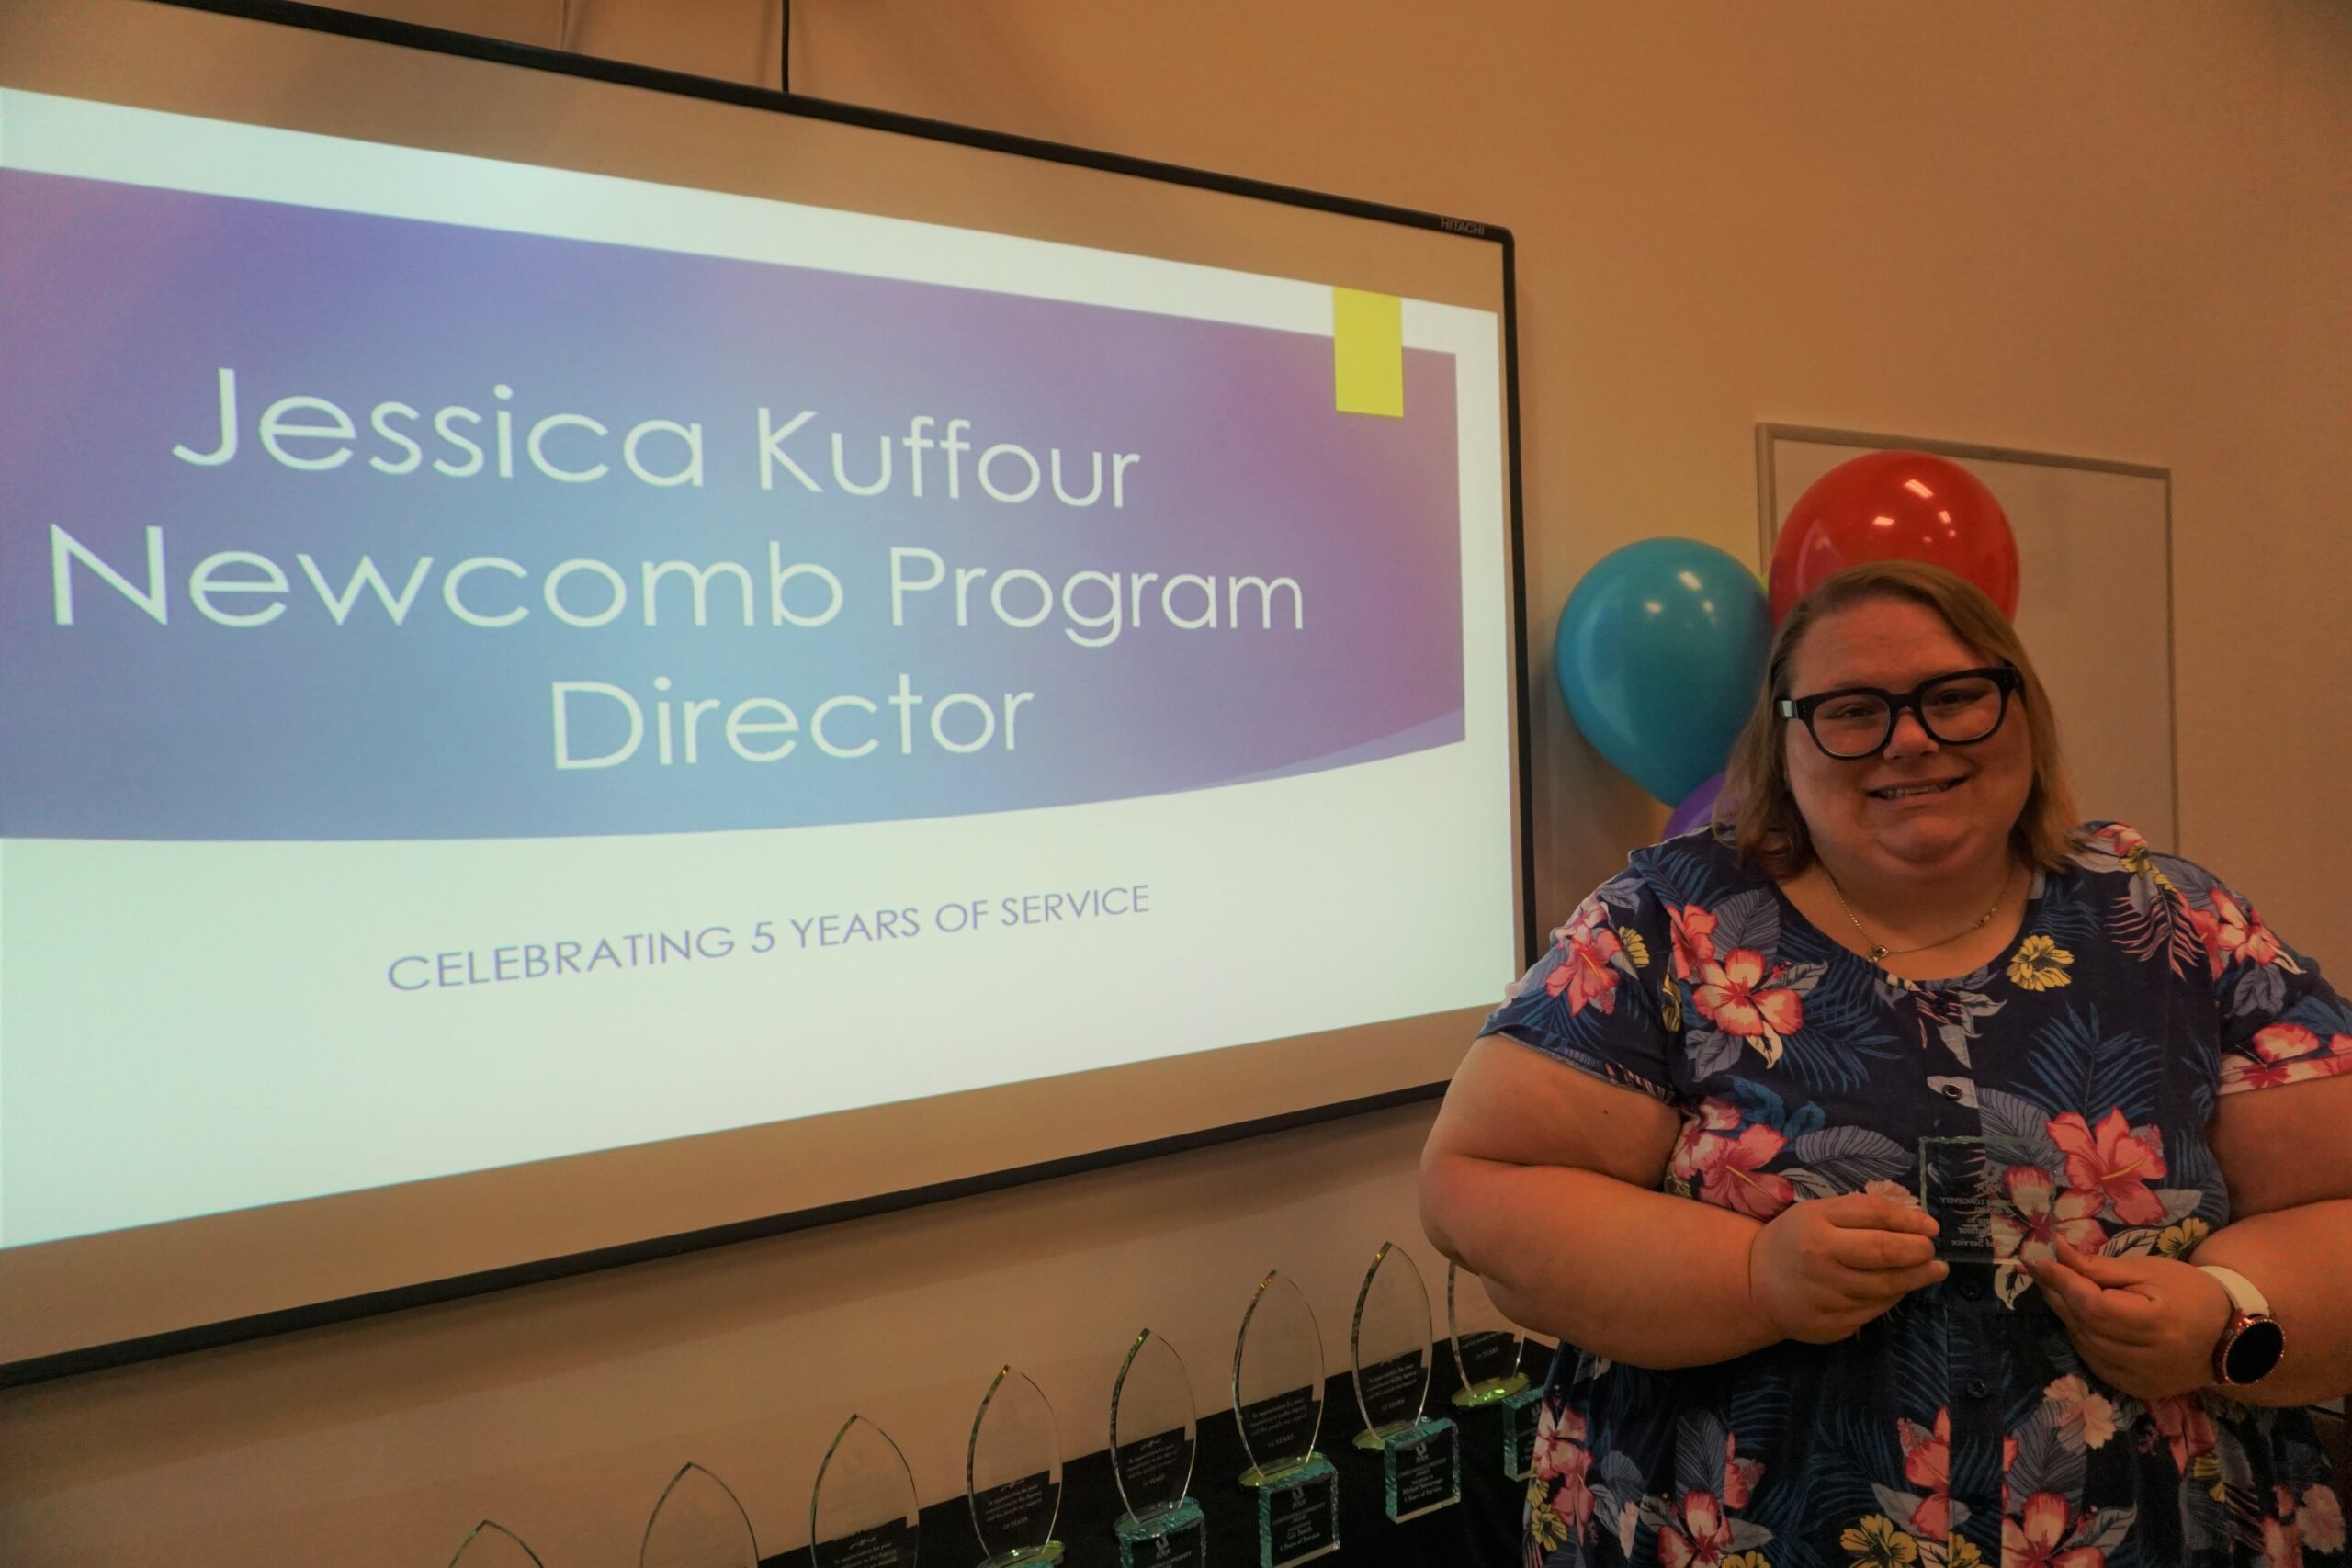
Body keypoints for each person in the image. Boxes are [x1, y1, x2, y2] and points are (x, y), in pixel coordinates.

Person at [1420, 560, 2352, 1568]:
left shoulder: (2171, 920)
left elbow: (2335, 1198)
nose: (1909, 738)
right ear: (1785, 742)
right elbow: (1478, 1191)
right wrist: (1752, 1277)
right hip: (1726, 1529)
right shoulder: (1665, 924)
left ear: (2022, 714)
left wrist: (2229, 1314)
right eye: (1851, 710)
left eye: (1953, 697)